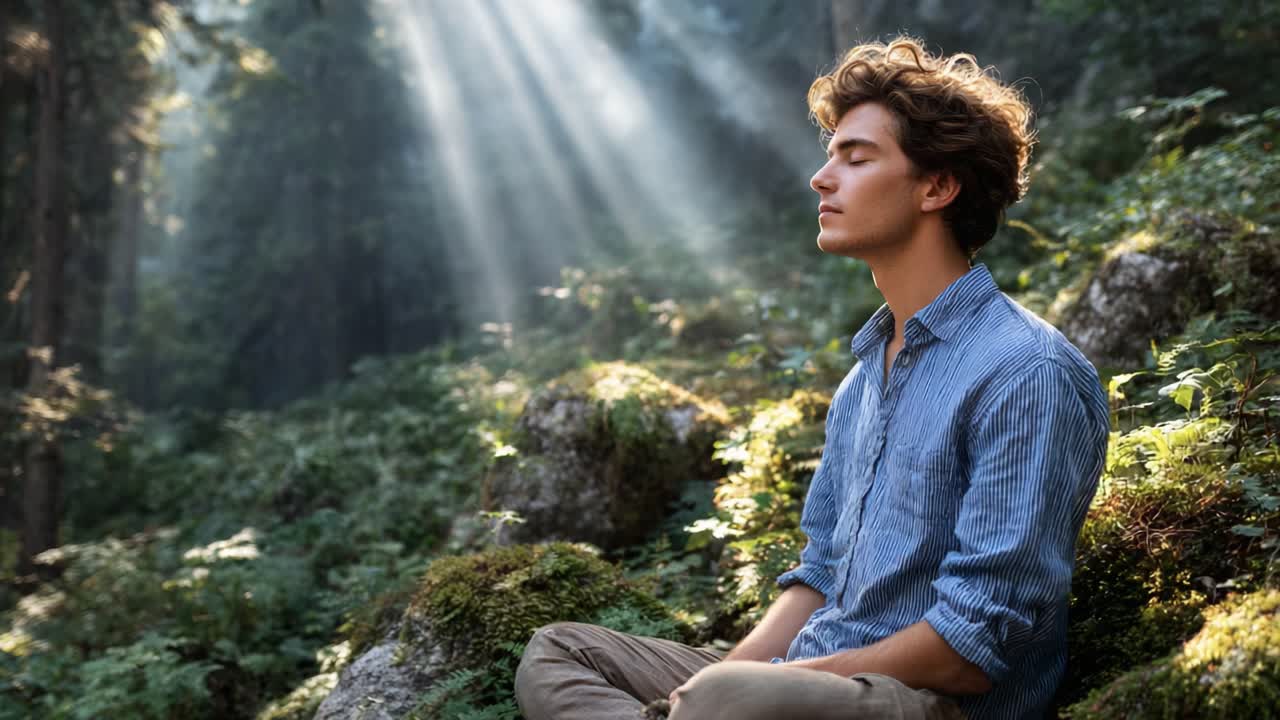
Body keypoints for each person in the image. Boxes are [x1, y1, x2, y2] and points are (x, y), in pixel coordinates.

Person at [514, 35, 1110, 720]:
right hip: (805, 678)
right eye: (831, 155)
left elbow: (972, 647)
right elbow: (820, 576)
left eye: (856, 158)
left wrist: (756, 686)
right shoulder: (863, 380)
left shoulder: (1026, 371)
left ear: (937, 187)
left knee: (725, 696)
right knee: (560, 651)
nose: (820, 178)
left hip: (926, 702)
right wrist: (721, 685)